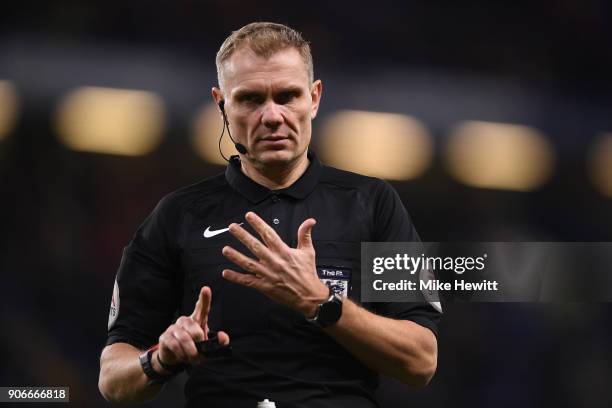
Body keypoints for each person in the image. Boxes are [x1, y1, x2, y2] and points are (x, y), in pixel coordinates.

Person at [98, 22, 441, 408]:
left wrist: (321, 302)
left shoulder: (373, 202)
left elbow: (421, 360)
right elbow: (112, 378)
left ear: (314, 98)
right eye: (250, 99)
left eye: (288, 95)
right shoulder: (178, 215)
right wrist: (159, 358)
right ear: (221, 104)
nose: (272, 115)